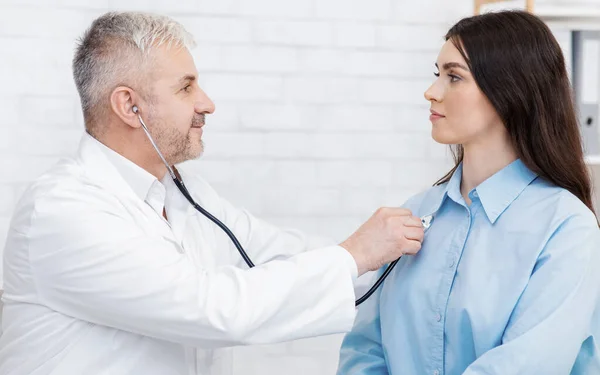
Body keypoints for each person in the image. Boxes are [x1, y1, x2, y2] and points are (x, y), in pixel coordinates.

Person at [0, 11, 425, 375]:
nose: (207, 104)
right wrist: (355, 254)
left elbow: (272, 254)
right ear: (130, 106)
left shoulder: (183, 193)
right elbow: (213, 309)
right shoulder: (62, 212)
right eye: (186, 87)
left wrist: (395, 260)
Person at [338, 10, 600, 375]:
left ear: (509, 90)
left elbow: (525, 365)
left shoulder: (567, 229)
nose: (432, 92)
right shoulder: (412, 216)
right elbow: (364, 351)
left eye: (454, 77)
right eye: (437, 75)